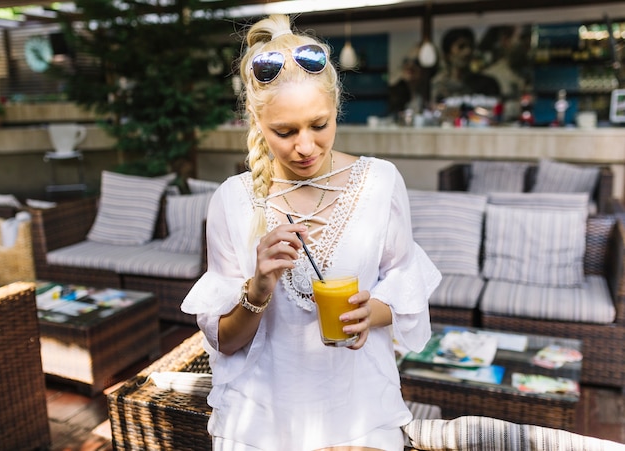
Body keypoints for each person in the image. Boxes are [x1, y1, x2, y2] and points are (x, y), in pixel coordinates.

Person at [181, 14, 441, 451]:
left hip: (361, 408)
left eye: (319, 125)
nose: (305, 147)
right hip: (259, 420)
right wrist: (259, 288)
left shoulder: (380, 183)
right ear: (257, 121)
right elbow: (226, 341)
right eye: (285, 132)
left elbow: (405, 288)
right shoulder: (231, 200)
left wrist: (369, 313)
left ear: (337, 108)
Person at [430, 27, 501, 103]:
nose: (468, 51)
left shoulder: (487, 84)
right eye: (461, 47)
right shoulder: (439, 85)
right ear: (448, 55)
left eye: (471, 46)